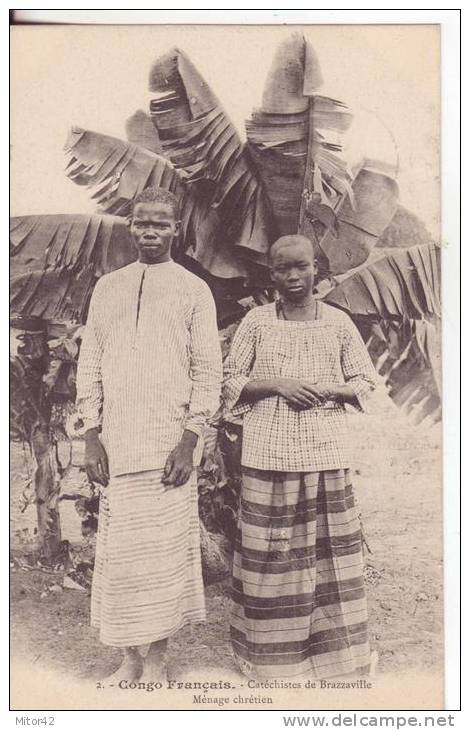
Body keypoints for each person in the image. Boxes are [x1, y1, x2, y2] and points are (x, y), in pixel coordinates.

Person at [76, 186, 222, 681]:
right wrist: (91, 435)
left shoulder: (192, 289)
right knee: (122, 558)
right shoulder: (108, 288)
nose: (151, 231)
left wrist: (190, 438)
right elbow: (89, 364)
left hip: (168, 448)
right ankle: (129, 659)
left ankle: (158, 660)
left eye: (161, 223)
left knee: (161, 558)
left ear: (176, 228)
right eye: (143, 222)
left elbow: (208, 370)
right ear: (131, 226)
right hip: (118, 445)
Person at [223, 234, 379, 680]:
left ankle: (333, 657)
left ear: (317, 269)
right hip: (268, 453)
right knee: (271, 556)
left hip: (325, 453)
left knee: (326, 556)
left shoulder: (337, 323)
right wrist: (278, 384)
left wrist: (329, 388)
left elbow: (365, 383)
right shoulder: (256, 322)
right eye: (282, 269)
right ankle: (271, 660)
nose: (292, 277)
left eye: (301, 267)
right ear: (270, 274)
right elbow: (231, 379)